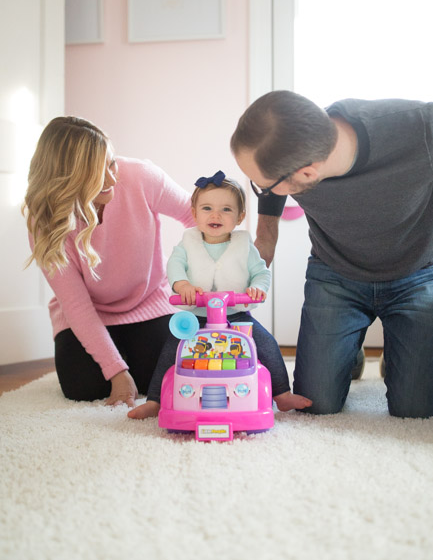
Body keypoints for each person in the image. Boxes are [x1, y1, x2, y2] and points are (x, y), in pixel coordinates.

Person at [230, 90, 433, 419]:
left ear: (308, 174)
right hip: (335, 275)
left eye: (263, 186)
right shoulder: (294, 146)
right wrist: (265, 237)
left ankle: (397, 347)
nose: (262, 191)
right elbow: (272, 192)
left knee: (415, 410)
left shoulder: (419, 127)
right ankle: (347, 352)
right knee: (317, 405)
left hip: (415, 273)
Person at [23, 116, 195, 407]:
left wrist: (188, 274)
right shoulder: (45, 220)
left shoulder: (141, 176)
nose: (113, 178)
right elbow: (76, 304)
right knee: (83, 387)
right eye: (96, 173)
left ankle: (130, 355)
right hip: (88, 311)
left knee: (166, 375)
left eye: (111, 163)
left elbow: (196, 216)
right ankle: (119, 356)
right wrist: (115, 370)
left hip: (148, 302)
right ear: (67, 178)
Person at [128, 171, 312, 419]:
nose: (215, 215)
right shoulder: (188, 243)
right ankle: (154, 400)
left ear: (239, 217)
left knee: (266, 343)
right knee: (172, 349)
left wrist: (258, 288)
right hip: (197, 317)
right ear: (194, 214)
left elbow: (261, 273)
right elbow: (174, 266)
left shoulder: (243, 245)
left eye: (226, 209)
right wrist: (182, 286)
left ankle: (281, 394)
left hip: (236, 315)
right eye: (207, 208)